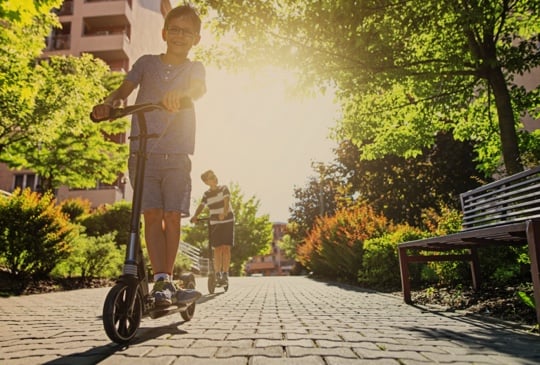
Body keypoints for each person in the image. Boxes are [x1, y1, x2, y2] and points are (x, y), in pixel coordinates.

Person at [91, 5, 205, 307]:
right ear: (164, 33)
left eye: (187, 31)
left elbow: (198, 89)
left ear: (196, 39)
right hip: (142, 152)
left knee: (171, 216)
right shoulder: (146, 63)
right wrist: (109, 103)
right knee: (152, 216)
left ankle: (166, 280)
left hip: (177, 153)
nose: (180, 35)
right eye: (175, 29)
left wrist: (181, 96)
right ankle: (158, 282)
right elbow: (123, 90)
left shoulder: (195, 68)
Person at [190, 170, 235, 284]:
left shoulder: (223, 188)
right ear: (206, 182)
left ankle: (225, 273)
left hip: (227, 220)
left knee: (226, 247)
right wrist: (195, 216)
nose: (215, 178)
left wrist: (224, 213)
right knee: (217, 248)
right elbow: (202, 205)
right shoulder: (206, 194)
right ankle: (217, 273)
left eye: (214, 176)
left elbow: (226, 201)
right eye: (211, 177)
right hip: (215, 222)